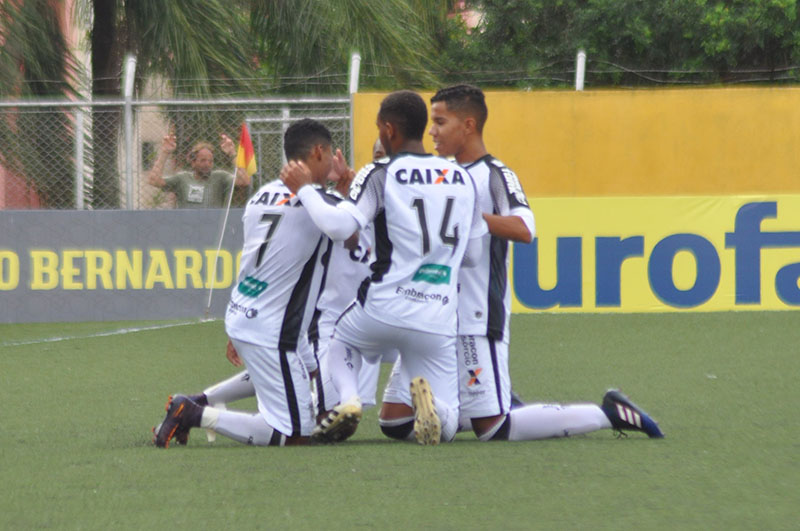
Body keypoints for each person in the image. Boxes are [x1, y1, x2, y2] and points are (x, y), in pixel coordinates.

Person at [400, 84, 662, 441]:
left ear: (469, 125)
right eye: (432, 123)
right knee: (397, 423)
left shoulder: (494, 174)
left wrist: (474, 215)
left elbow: (524, 229)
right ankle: (499, 402)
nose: (432, 131)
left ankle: (607, 413)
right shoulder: (442, 174)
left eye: (441, 122)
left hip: (478, 315)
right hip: (439, 315)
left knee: (493, 429)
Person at [280, 90, 488, 445]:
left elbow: (341, 227)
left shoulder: (379, 172)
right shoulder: (462, 177)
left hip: (382, 307)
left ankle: (348, 400)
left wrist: (305, 190)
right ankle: (439, 411)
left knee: (339, 341)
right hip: (437, 317)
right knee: (449, 420)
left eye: (379, 129)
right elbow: (471, 256)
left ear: (389, 130)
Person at [153, 118, 340, 448]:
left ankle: (200, 400)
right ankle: (193, 413)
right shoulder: (316, 203)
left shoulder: (262, 196)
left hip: (255, 313)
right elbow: (347, 228)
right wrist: (345, 183)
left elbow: (251, 260)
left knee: (305, 374)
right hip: (275, 326)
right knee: (294, 433)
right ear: (318, 152)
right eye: (331, 156)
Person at [147, 132, 251, 208]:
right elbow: (154, 180)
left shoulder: (220, 177)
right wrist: (165, 152)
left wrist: (232, 153)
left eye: (210, 161)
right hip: (188, 226)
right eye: (203, 160)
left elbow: (244, 180)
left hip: (213, 225)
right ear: (193, 162)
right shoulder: (182, 178)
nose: (207, 164)